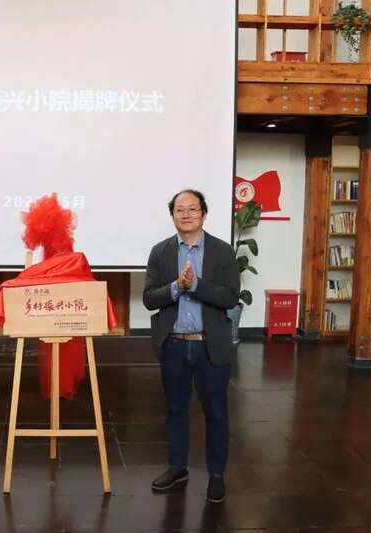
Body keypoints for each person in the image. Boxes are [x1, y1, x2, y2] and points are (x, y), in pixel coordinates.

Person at [143, 189, 240, 503]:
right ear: (173, 216)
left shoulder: (222, 252)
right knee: (175, 410)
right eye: (179, 210)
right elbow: (149, 298)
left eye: (192, 209)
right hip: (173, 344)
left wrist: (195, 285)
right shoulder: (160, 252)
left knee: (216, 413)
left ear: (204, 214)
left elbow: (230, 297)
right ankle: (177, 467)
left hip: (209, 346)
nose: (186, 214)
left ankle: (216, 475)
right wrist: (176, 287)